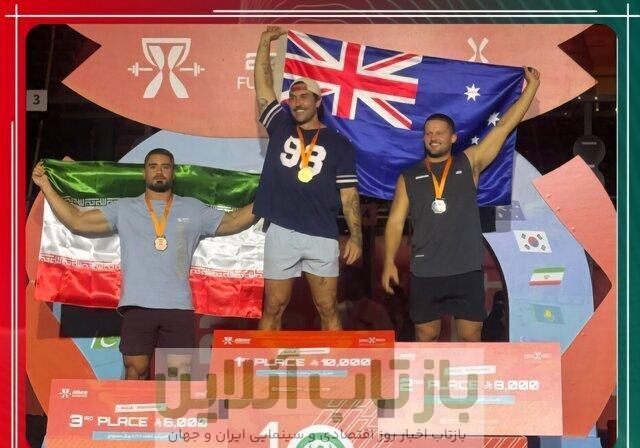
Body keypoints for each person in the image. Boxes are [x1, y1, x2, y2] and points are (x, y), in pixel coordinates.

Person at [31, 148, 256, 379]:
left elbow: (234, 220)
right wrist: (46, 185)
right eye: (153, 166)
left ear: (173, 173)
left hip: (178, 308)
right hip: (137, 306)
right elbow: (77, 221)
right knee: (135, 371)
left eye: (165, 167)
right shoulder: (124, 207)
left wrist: (269, 196)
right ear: (144, 173)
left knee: (178, 378)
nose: (159, 172)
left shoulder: (192, 208)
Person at [382, 67, 541, 342]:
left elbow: (503, 127)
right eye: (428, 133)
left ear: (453, 137)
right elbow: (395, 221)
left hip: (466, 267)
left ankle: (471, 374)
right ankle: (429, 374)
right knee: (426, 334)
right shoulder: (408, 176)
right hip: (426, 268)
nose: (434, 138)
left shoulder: (470, 162)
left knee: (470, 335)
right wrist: (388, 262)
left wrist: (532, 87)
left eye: (440, 133)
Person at [253, 26, 362, 331]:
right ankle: (265, 363)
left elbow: (349, 196)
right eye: (293, 98)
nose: (297, 102)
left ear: (317, 102)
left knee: (327, 307)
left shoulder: (340, 144)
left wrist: (356, 237)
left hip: (322, 232)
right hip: (282, 229)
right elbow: (262, 86)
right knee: (273, 306)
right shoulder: (280, 125)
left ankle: (336, 363)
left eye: (304, 97)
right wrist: (264, 43)